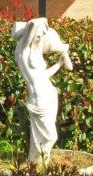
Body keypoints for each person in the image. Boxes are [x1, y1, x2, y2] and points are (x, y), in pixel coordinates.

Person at [12, 18, 72, 165]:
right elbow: (33, 24)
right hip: (40, 101)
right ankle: (44, 163)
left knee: (39, 136)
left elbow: (43, 76)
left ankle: (36, 162)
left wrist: (59, 64)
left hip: (48, 96)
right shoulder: (23, 52)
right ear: (28, 34)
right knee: (51, 137)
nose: (40, 38)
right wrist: (43, 21)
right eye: (38, 35)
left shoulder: (34, 52)